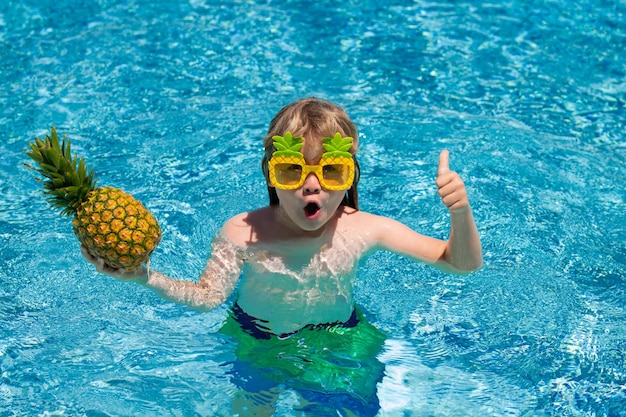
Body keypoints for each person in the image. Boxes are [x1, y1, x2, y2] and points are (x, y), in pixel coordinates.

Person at [83, 97, 482, 413]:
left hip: (338, 343)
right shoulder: (242, 233)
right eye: (292, 171)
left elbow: (460, 263)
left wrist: (460, 212)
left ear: (350, 176)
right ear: (271, 174)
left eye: (332, 172)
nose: (312, 187)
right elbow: (207, 297)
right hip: (257, 342)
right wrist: (144, 277)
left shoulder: (366, 229)